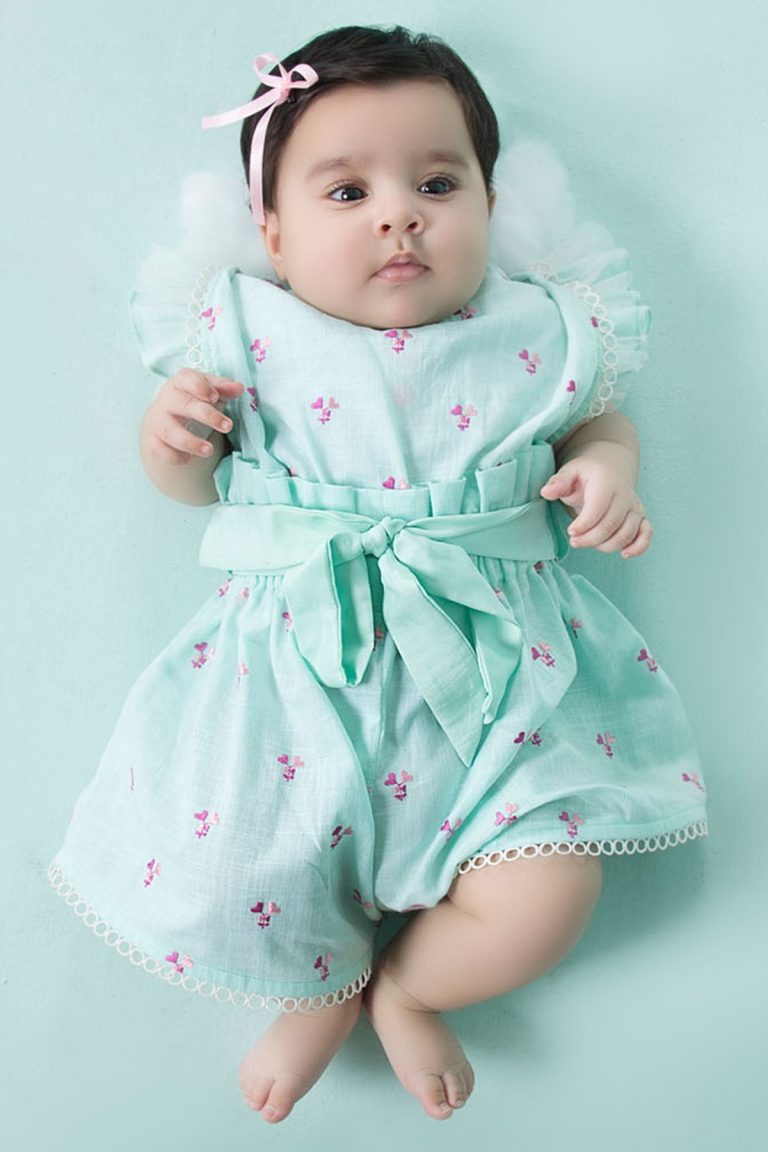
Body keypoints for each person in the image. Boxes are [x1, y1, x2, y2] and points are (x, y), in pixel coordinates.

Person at [49, 24, 708, 1126]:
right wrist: (172, 445)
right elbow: (197, 489)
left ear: (490, 203)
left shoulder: (537, 332)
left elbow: (597, 423)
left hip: (499, 693)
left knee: (550, 894)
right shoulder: (243, 336)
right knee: (241, 867)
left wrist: (607, 470)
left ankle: (408, 985)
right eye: (347, 192)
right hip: (292, 684)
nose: (399, 215)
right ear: (271, 229)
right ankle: (318, 984)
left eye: (437, 184)